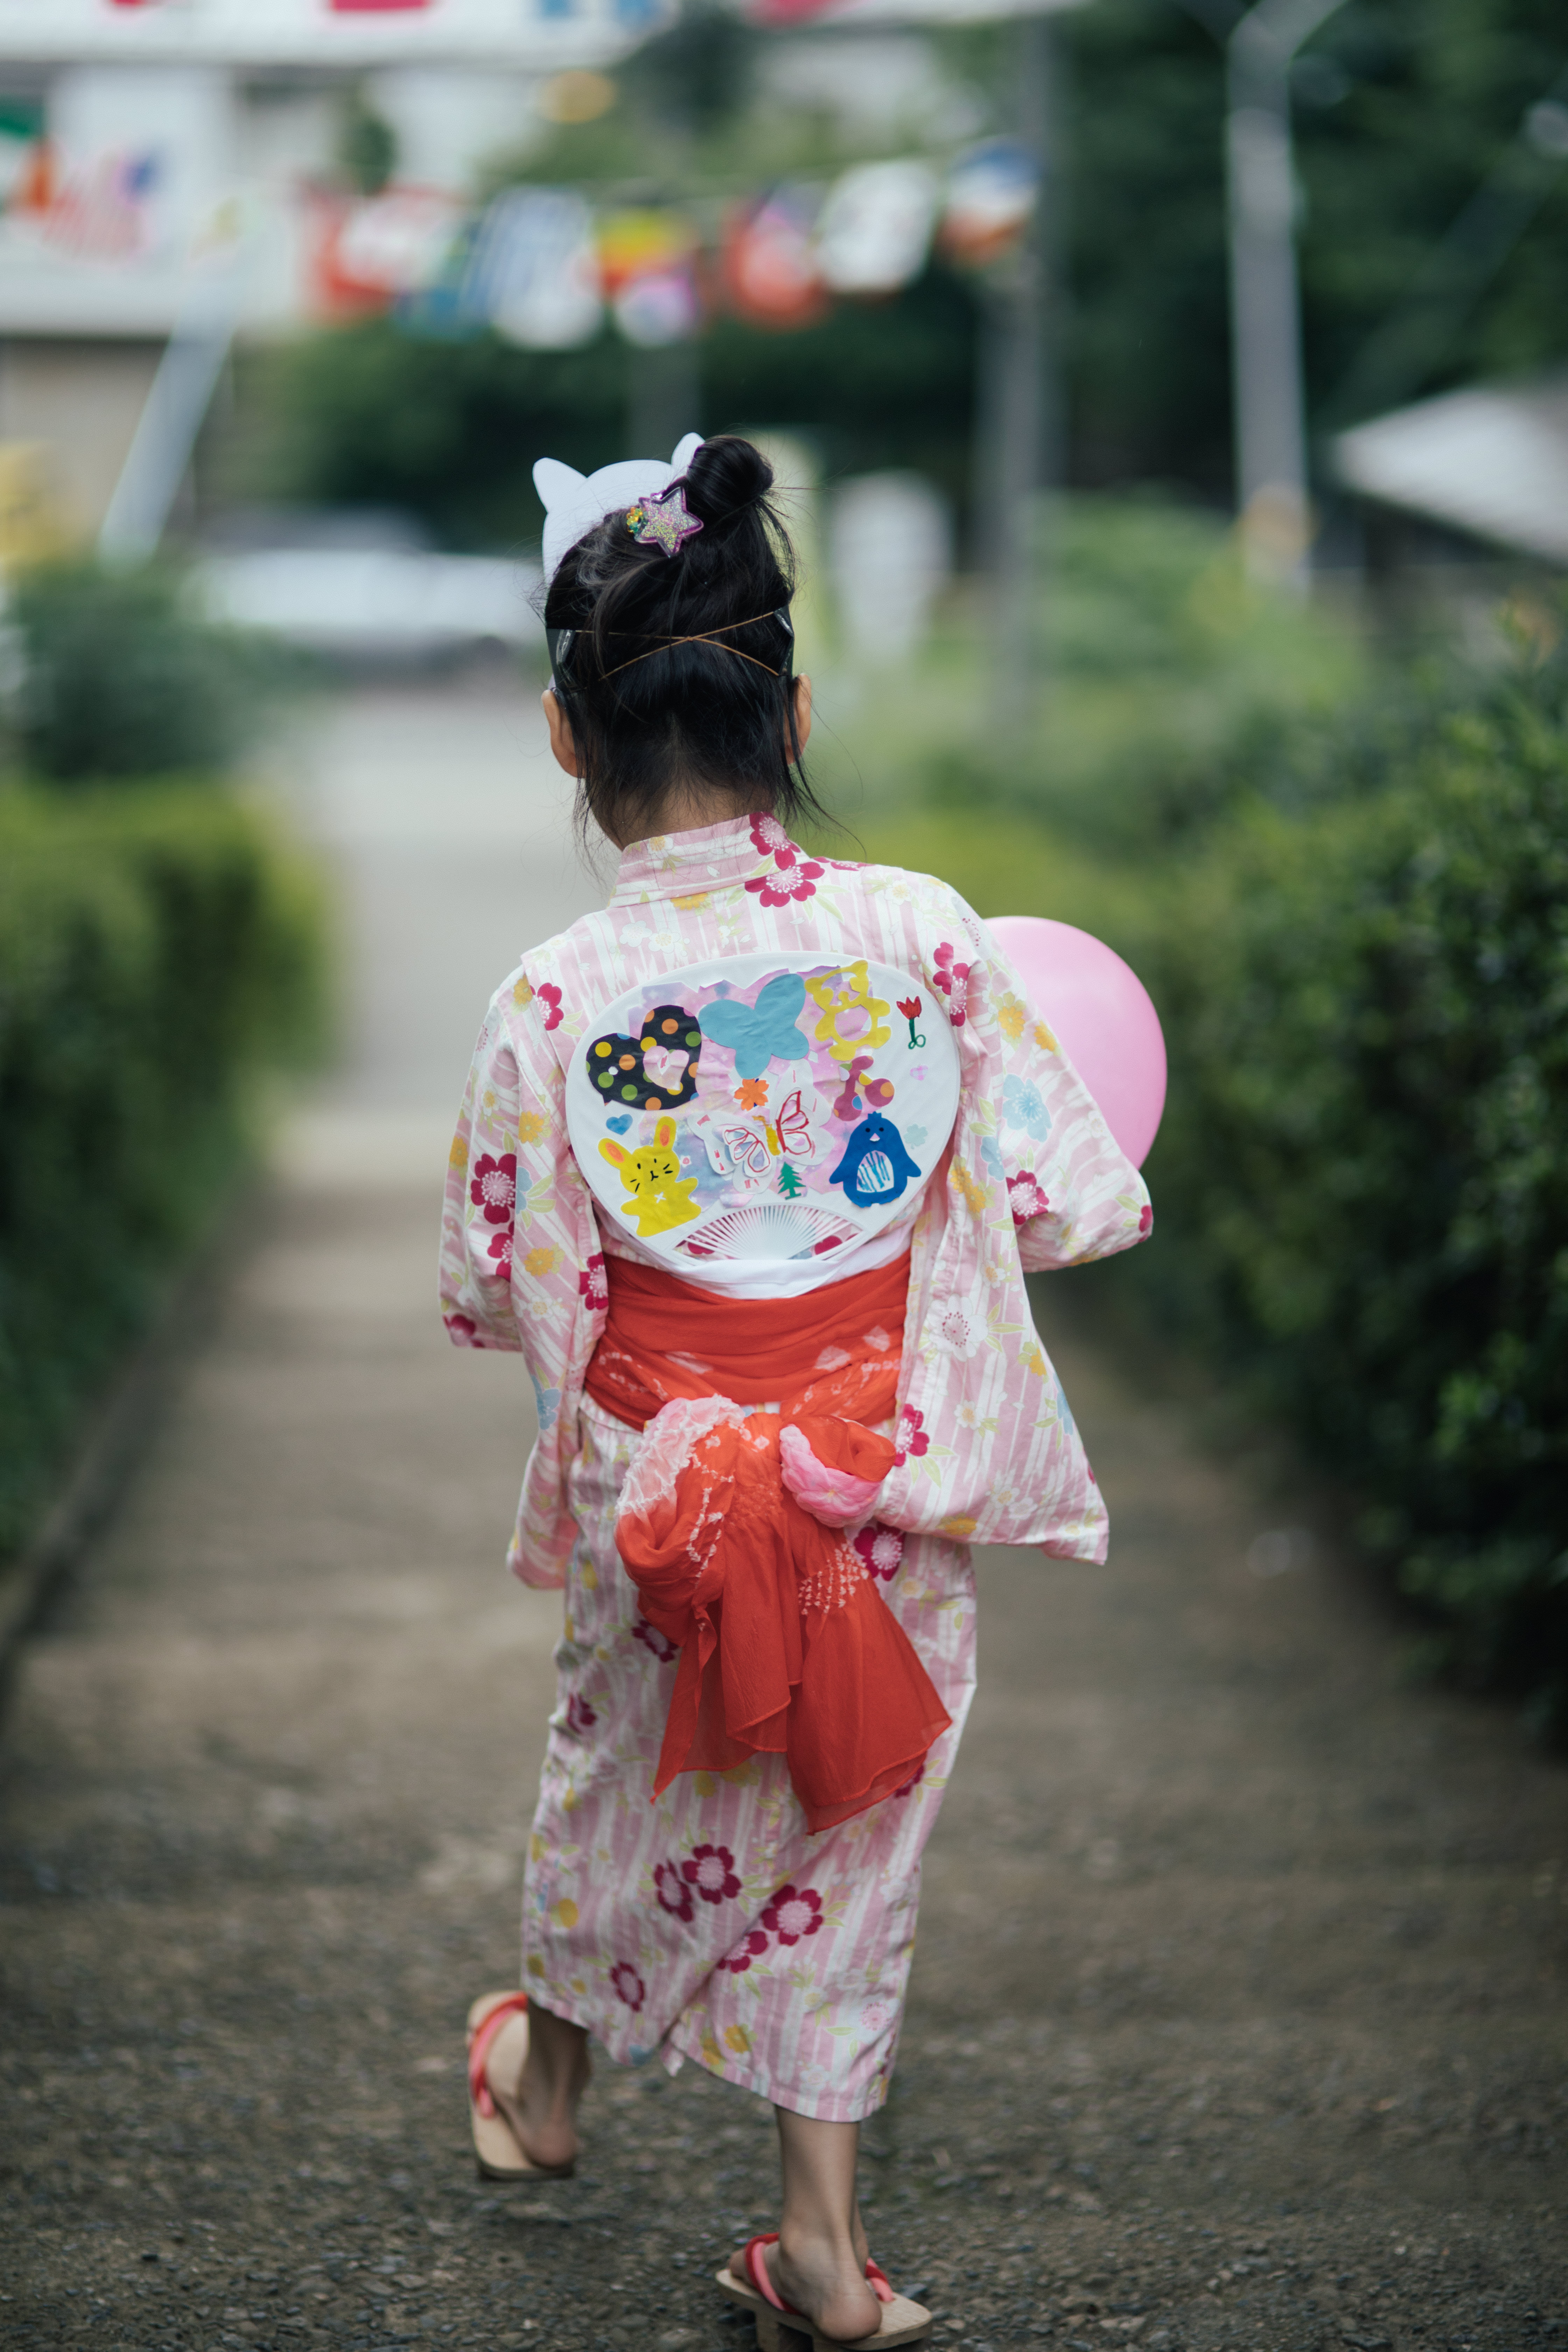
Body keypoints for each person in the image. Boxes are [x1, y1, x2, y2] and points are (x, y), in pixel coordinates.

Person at [438, 433, 1152, 2350]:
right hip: (869, 1468)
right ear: (797, 706)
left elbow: (497, 1280)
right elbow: (1067, 1200)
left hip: (660, 1475)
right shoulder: (924, 935)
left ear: (569, 738)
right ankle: (822, 2252)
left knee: (620, 1784)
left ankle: (554, 2089)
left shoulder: (553, 991)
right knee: (855, 1823)